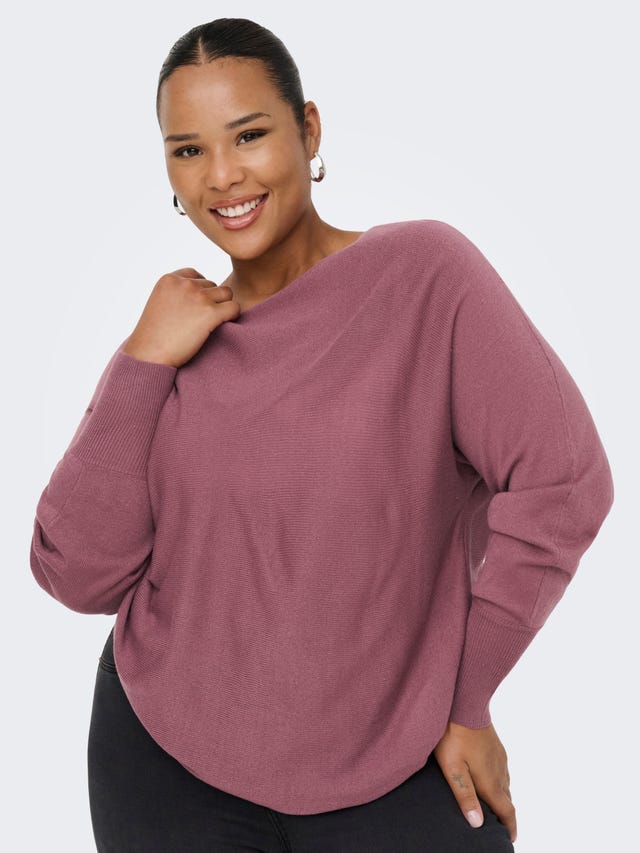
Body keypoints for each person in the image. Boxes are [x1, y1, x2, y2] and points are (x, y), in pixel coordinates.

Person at [29, 16, 614, 853]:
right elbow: (76, 572)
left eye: (249, 134)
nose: (222, 175)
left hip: (397, 762)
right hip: (163, 764)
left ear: (307, 130)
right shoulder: (176, 336)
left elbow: (566, 481)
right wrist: (140, 361)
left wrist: (468, 699)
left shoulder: (424, 278)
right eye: (188, 149)